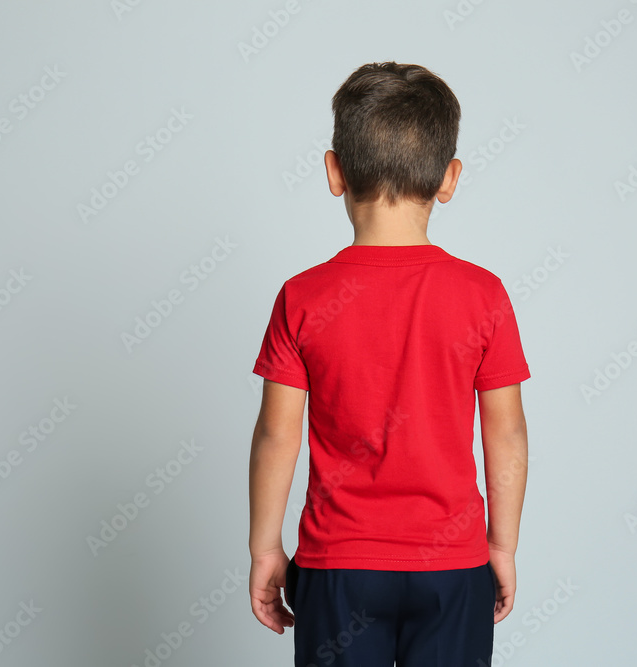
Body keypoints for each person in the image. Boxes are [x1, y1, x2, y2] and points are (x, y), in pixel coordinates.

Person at [248, 61, 531, 667]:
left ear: (335, 171)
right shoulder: (484, 295)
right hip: (451, 566)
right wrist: (501, 546)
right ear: (450, 178)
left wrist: (264, 546)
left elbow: (278, 434)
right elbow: (504, 432)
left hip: (338, 568)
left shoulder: (302, 297)